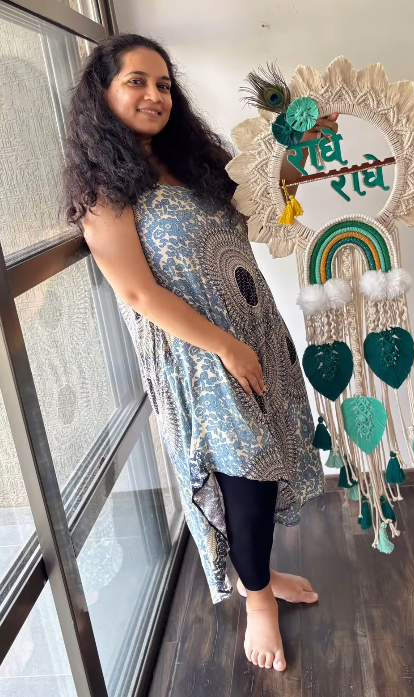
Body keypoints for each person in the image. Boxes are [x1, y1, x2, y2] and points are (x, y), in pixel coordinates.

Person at [62, 34, 338, 672]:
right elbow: (137, 292)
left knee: (262, 463)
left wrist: (301, 153)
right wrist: (225, 347)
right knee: (243, 475)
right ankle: (258, 602)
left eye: (163, 84)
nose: (154, 95)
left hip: (252, 330)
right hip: (200, 354)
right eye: (136, 81)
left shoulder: (190, 160)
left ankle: (258, 573)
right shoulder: (104, 190)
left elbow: (260, 205)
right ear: (102, 94)